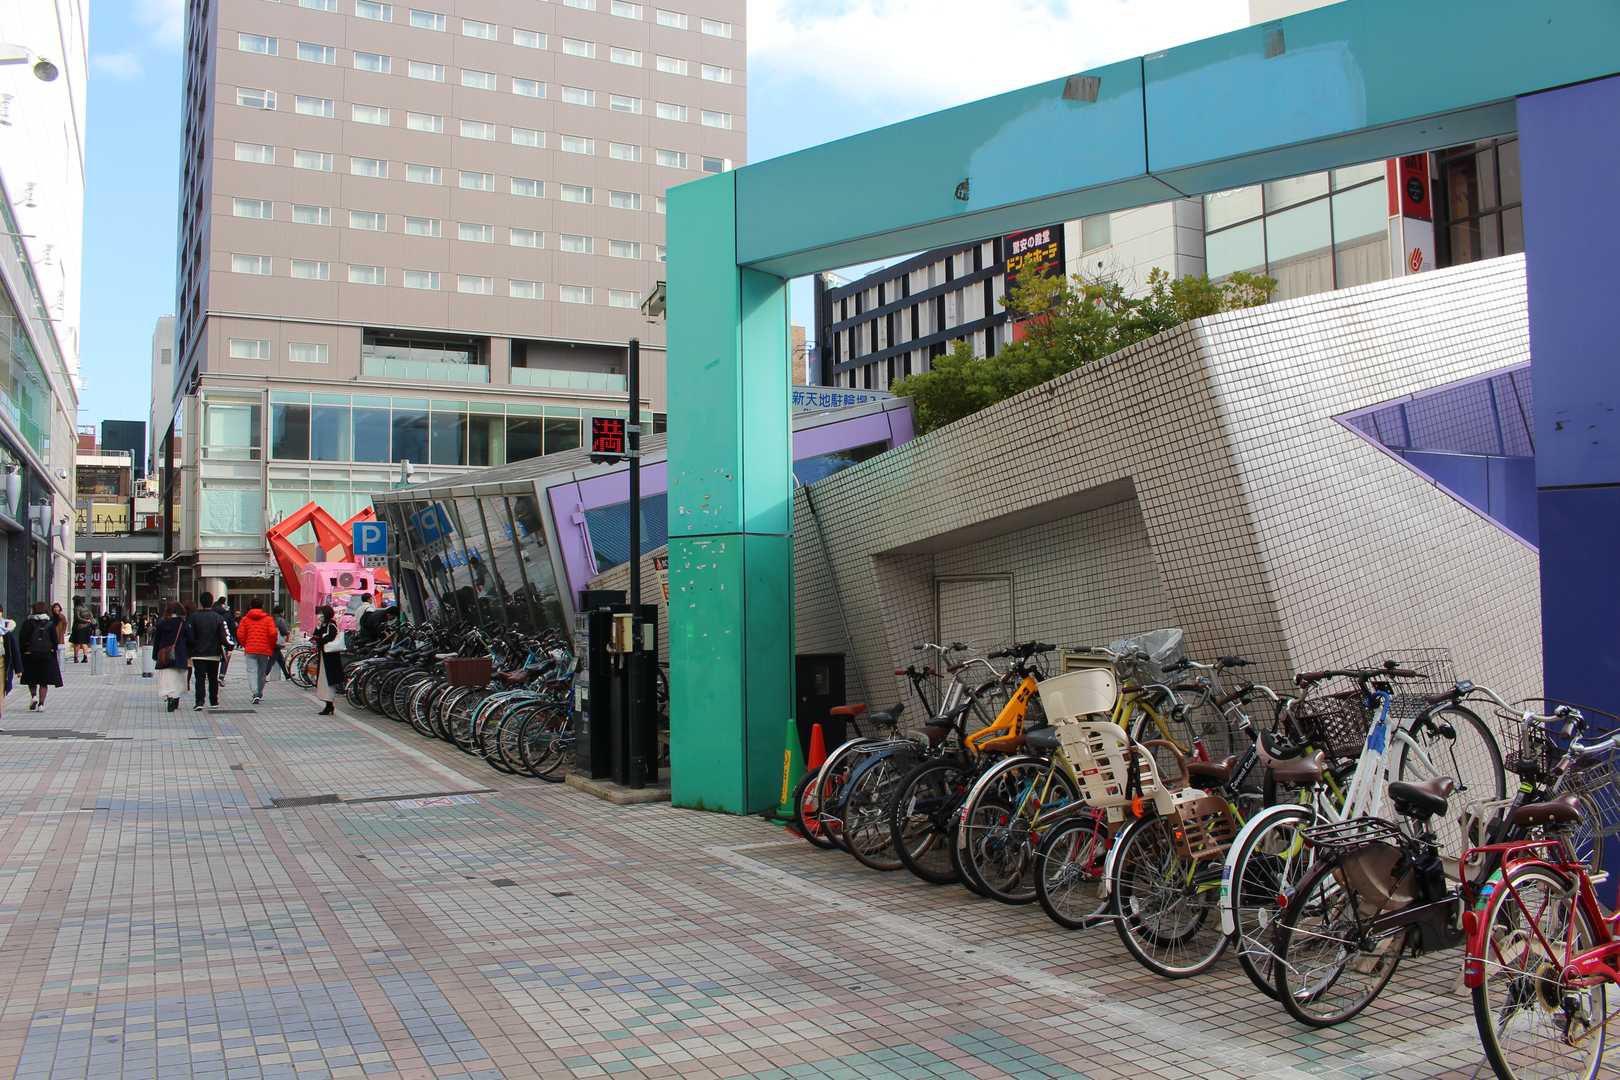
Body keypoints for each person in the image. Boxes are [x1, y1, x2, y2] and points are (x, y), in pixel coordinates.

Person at [184, 592, 230, 710]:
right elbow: (223, 636)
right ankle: (214, 701)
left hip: (198, 653)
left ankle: (199, 702)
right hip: (214, 653)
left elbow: (189, 635)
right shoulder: (218, 617)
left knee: (199, 678)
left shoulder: (193, 617)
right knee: (213, 678)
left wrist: (193, 646)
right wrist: (229, 647)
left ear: (201, 602)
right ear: (212, 601)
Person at [21, 602, 62, 710]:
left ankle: (34, 696)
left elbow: (22, 639)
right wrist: (53, 651)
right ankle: (41, 704)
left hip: (30, 655)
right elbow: (55, 640)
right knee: (43, 681)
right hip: (46, 655)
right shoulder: (50, 623)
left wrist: (23, 652)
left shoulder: (27, 623)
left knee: (32, 678)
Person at [151, 602, 188, 712]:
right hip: (180, 655)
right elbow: (189, 639)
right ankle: (175, 698)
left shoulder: (162, 623)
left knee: (167, 679)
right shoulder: (183, 623)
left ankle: (170, 697)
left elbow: (157, 640)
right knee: (178, 678)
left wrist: (155, 655)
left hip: (165, 655)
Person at [236, 604, 276, 705]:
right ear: (262, 606)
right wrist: (270, 645)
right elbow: (273, 634)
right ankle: (259, 692)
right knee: (262, 672)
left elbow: (240, 634)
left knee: (252, 671)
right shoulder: (268, 619)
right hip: (264, 650)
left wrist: (245, 644)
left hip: (250, 649)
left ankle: (255, 692)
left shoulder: (245, 619)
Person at [311, 604, 344, 716]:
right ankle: (328, 705)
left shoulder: (331, 624)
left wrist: (319, 640)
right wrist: (318, 627)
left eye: (321, 613)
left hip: (330, 657)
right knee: (324, 681)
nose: (319, 615)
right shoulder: (323, 624)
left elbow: (330, 637)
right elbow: (316, 634)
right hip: (324, 655)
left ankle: (329, 705)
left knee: (328, 681)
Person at [0, 607, 20, 721]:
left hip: (2, 666)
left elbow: (14, 650)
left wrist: (18, 669)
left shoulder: (7, 630)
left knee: (1, 692)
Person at [214, 596, 238, 681]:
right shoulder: (227, 613)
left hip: (213, 638)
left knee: (214, 657)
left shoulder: (212, 612)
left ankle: (211, 674)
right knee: (225, 656)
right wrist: (234, 638)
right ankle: (222, 675)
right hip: (226, 637)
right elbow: (232, 627)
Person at [270, 605, 292, 680]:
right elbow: (283, 631)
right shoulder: (280, 620)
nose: (284, 613)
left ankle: (287, 674)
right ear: (280, 612)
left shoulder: (271, 619)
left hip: (271, 640)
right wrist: (287, 633)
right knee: (272, 660)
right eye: (283, 612)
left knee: (280, 659)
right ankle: (264, 674)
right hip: (277, 642)